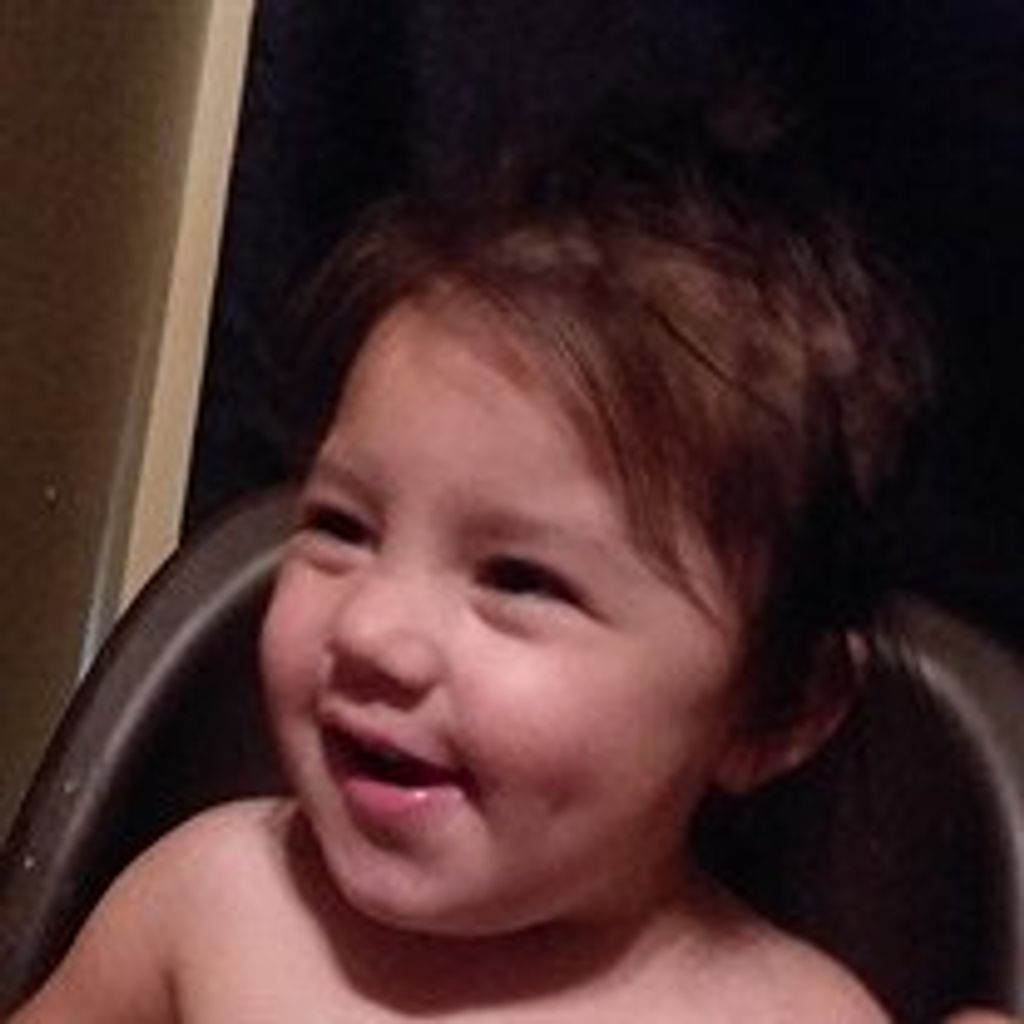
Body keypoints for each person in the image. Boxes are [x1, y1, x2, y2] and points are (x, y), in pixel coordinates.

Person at [8, 178, 1011, 1022]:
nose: (372, 631)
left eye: (521, 579)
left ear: (777, 710)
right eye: (342, 527)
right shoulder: (210, 902)